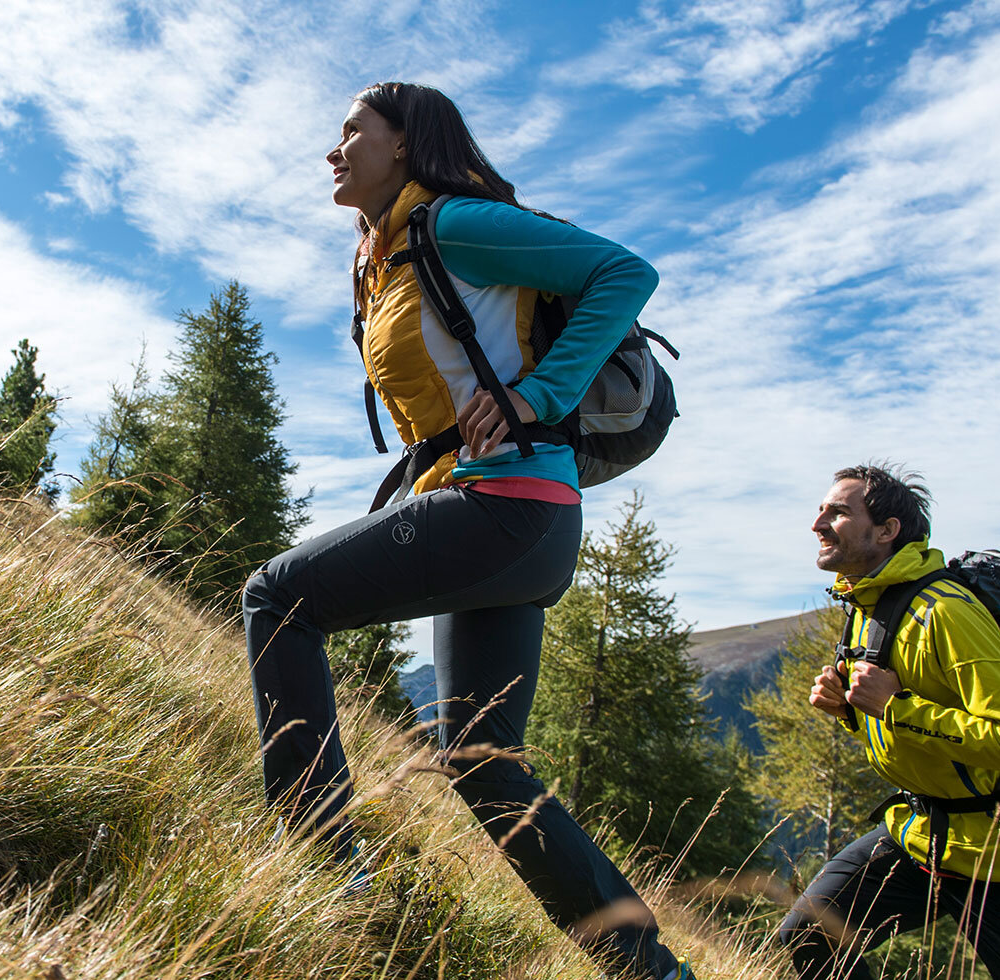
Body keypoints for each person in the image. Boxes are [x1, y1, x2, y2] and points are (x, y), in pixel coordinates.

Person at [242, 81, 690, 980]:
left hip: (506, 506)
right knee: (481, 760)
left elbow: (624, 271)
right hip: (514, 521)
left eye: (352, 131)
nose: (334, 149)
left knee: (276, 596)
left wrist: (541, 393)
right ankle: (650, 969)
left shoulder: (452, 225)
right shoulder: (381, 259)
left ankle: (329, 885)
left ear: (405, 144)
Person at [776, 464, 1000, 980]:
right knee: (810, 938)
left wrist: (895, 709)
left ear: (887, 530)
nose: (818, 523)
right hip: (920, 836)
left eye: (838, 512)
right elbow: (914, 726)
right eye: (821, 510)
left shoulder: (945, 612)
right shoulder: (870, 606)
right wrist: (852, 713)